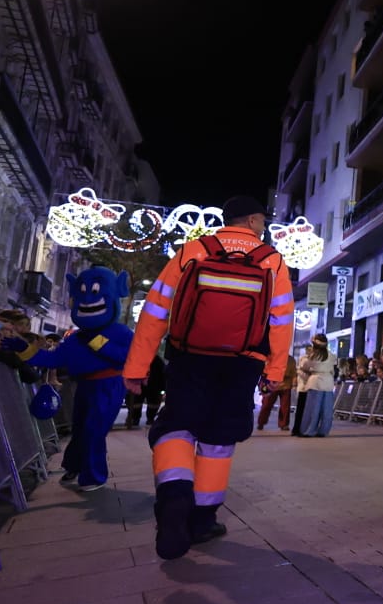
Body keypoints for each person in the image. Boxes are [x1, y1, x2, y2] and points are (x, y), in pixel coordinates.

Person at [125, 195, 294, 560]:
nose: (264, 228)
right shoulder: (272, 261)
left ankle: (173, 499)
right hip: (242, 362)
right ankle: (202, 521)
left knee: (176, 427)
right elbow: (281, 322)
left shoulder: (194, 250)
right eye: (262, 221)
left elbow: (155, 310)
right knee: (219, 438)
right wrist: (274, 372)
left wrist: (137, 367)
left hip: (189, 356)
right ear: (250, 220)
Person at [27, 267, 135, 493]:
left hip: (109, 385)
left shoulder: (121, 332)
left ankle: (95, 475)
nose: (88, 299)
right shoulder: (76, 337)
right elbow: (55, 358)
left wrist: (97, 341)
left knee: (94, 430)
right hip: (85, 385)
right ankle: (75, 466)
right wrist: (23, 350)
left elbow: (124, 357)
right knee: (81, 429)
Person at [299, 334, 338, 436]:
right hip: (328, 382)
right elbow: (333, 370)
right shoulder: (332, 356)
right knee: (327, 409)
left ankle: (309, 430)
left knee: (312, 408)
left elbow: (304, 366)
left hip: (315, 382)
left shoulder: (313, 356)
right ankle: (324, 430)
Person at [256, 352, 297, 430]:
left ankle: (284, 424)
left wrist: (294, 383)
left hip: (285, 385)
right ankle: (261, 422)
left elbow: (294, 373)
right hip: (272, 384)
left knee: (285, 407)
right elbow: (265, 371)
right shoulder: (271, 358)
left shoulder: (291, 359)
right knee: (266, 405)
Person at [126, 354, 167, 429]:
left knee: (152, 403)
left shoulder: (157, 361)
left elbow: (163, 376)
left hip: (153, 386)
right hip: (142, 385)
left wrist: (163, 389)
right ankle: (136, 419)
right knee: (136, 402)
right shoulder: (157, 360)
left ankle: (147, 419)